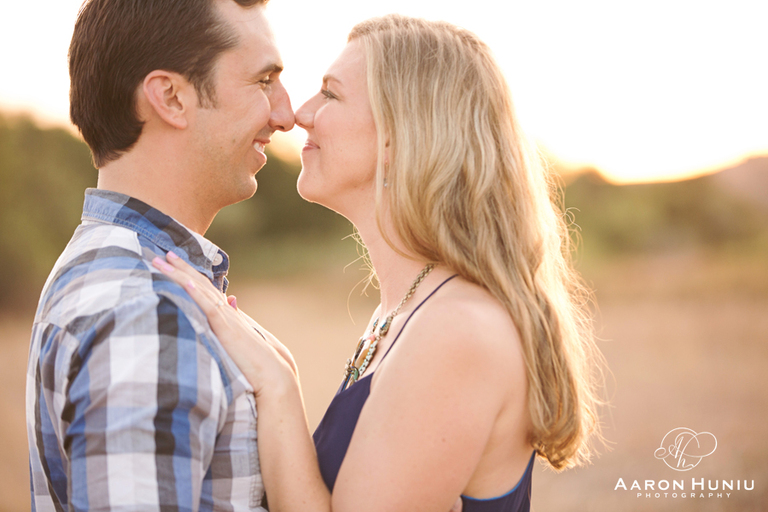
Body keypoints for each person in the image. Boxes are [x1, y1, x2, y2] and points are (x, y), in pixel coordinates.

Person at [153, 14, 604, 512]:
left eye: (330, 94)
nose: (300, 112)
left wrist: (277, 387)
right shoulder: (410, 310)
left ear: (397, 135)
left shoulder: (457, 330)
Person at [26, 0, 293, 509]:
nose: (285, 113)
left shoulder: (110, 270)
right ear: (170, 97)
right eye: (263, 81)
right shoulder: (145, 311)